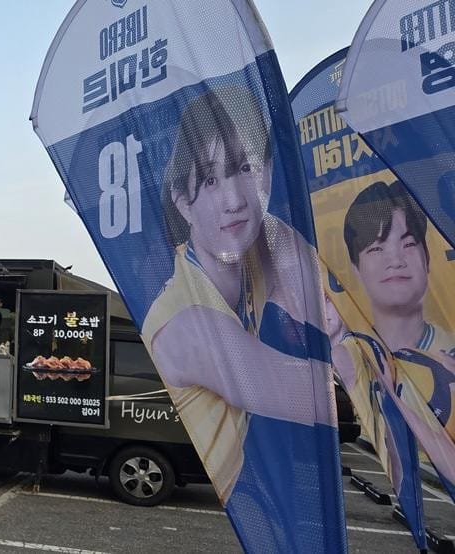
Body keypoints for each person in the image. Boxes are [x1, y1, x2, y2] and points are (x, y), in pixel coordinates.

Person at [143, 85, 332, 512]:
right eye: (210, 180)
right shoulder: (187, 324)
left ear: (265, 173)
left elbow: (330, 302)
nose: (233, 201)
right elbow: (315, 399)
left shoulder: (251, 254)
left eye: (244, 168)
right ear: (183, 204)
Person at [343, 180, 455, 444]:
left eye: (408, 244)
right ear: (355, 268)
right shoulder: (346, 356)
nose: (395, 260)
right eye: (376, 248)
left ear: (427, 258)